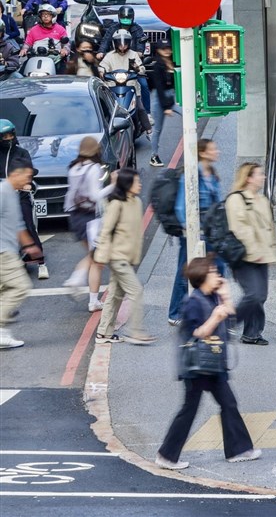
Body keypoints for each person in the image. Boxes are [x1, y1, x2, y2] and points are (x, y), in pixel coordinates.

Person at [155, 255, 262, 470]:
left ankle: (238, 450)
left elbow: (232, 318)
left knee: (228, 404)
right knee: (189, 410)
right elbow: (195, 333)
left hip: (213, 365)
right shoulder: (193, 302)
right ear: (202, 277)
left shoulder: (213, 296)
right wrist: (214, 317)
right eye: (213, 272)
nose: (218, 275)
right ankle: (166, 455)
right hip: (196, 368)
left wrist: (226, 296)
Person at [93, 168, 155, 345]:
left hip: (127, 258)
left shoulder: (136, 202)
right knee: (136, 291)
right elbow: (105, 232)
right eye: (136, 181)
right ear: (127, 184)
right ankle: (136, 332)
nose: (140, 184)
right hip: (117, 258)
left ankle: (103, 333)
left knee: (114, 295)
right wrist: (101, 256)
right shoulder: (116, 204)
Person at [168, 138, 223, 327]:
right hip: (195, 231)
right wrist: (191, 231)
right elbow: (181, 206)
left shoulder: (212, 174)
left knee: (218, 269)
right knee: (186, 269)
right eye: (213, 149)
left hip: (212, 230)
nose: (217, 152)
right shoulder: (191, 175)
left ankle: (215, 308)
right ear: (203, 152)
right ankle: (175, 311)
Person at [226, 162, 276, 345]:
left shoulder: (262, 200)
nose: (263, 177)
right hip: (244, 257)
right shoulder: (235, 199)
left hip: (261, 256)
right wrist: (255, 251)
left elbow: (268, 228)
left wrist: (270, 251)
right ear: (248, 178)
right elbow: (240, 229)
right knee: (253, 295)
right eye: (259, 174)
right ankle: (227, 323)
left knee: (261, 296)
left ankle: (252, 333)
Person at [63, 137, 116, 312]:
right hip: (90, 218)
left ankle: (92, 299)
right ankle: (77, 280)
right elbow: (95, 195)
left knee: (94, 257)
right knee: (96, 257)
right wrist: (113, 186)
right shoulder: (93, 168)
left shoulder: (74, 167)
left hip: (75, 215)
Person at [0, 158, 42, 349]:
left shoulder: (13, 193)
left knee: (4, 290)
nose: (28, 180)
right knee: (20, 286)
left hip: (9, 250)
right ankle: (1, 332)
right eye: (26, 175)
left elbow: (18, 225)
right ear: (15, 174)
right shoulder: (2, 192)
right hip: (2, 252)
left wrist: (29, 246)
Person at [0, 119, 48, 280]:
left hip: (20, 196)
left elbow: (28, 171)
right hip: (3, 196)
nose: (7, 139)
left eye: (9, 135)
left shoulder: (21, 153)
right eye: (3, 136)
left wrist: (26, 184)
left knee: (27, 225)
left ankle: (41, 263)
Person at [97, 6, 151, 115]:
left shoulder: (137, 29)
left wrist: (139, 54)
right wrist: (101, 52)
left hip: (132, 62)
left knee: (143, 85)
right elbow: (105, 41)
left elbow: (141, 42)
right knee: (102, 87)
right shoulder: (113, 29)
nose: (122, 45)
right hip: (115, 63)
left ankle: (147, 112)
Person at [98, 29, 151, 136]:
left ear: (129, 43)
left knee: (140, 108)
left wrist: (137, 68)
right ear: (115, 43)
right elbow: (102, 66)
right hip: (113, 87)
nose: (122, 46)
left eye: (125, 43)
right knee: (104, 108)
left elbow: (141, 68)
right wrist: (102, 72)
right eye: (119, 43)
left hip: (131, 87)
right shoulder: (109, 56)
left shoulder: (134, 54)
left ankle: (149, 131)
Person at [149, 40, 176, 167]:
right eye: (163, 48)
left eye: (168, 48)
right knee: (158, 129)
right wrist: (166, 107)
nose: (167, 51)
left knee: (189, 116)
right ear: (159, 50)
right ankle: (154, 156)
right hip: (159, 98)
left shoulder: (173, 63)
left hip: (172, 96)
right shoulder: (157, 66)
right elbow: (159, 88)